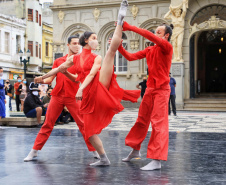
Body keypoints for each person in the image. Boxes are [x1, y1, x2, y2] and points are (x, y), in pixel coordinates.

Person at [34, 0, 140, 166]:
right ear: (85, 41)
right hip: (86, 96)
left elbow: (91, 75)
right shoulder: (74, 58)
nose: (96, 41)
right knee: (89, 132)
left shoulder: (96, 57)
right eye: (94, 38)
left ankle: (120, 20)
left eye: (97, 38)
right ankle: (104, 158)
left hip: (98, 86)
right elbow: (59, 69)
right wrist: (43, 76)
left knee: (111, 51)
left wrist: (80, 89)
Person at [24, 34, 97, 162]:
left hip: (73, 97)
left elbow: (77, 80)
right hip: (57, 96)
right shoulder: (59, 61)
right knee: (47, 123)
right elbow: (50, 79)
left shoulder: (80, 61)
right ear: (68, 45)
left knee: (83, 124)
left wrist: (65, 72)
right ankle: (34, 151)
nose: (77, 46)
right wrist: (40, 80)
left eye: (79, 43)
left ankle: (95, 150)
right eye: (74, 43)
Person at [117, 21, 173, 170]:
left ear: (166, 36)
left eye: (159, 32)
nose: (155, 34)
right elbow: (129, 57)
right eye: (155, 32)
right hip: (150, 89)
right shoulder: (150, 50)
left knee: (158, 123)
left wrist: (129, 27)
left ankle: (157, 160)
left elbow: (148, 35)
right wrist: (120, 47)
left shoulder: (167, 47)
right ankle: (135, 150)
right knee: (142, 120)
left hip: (162, 90)